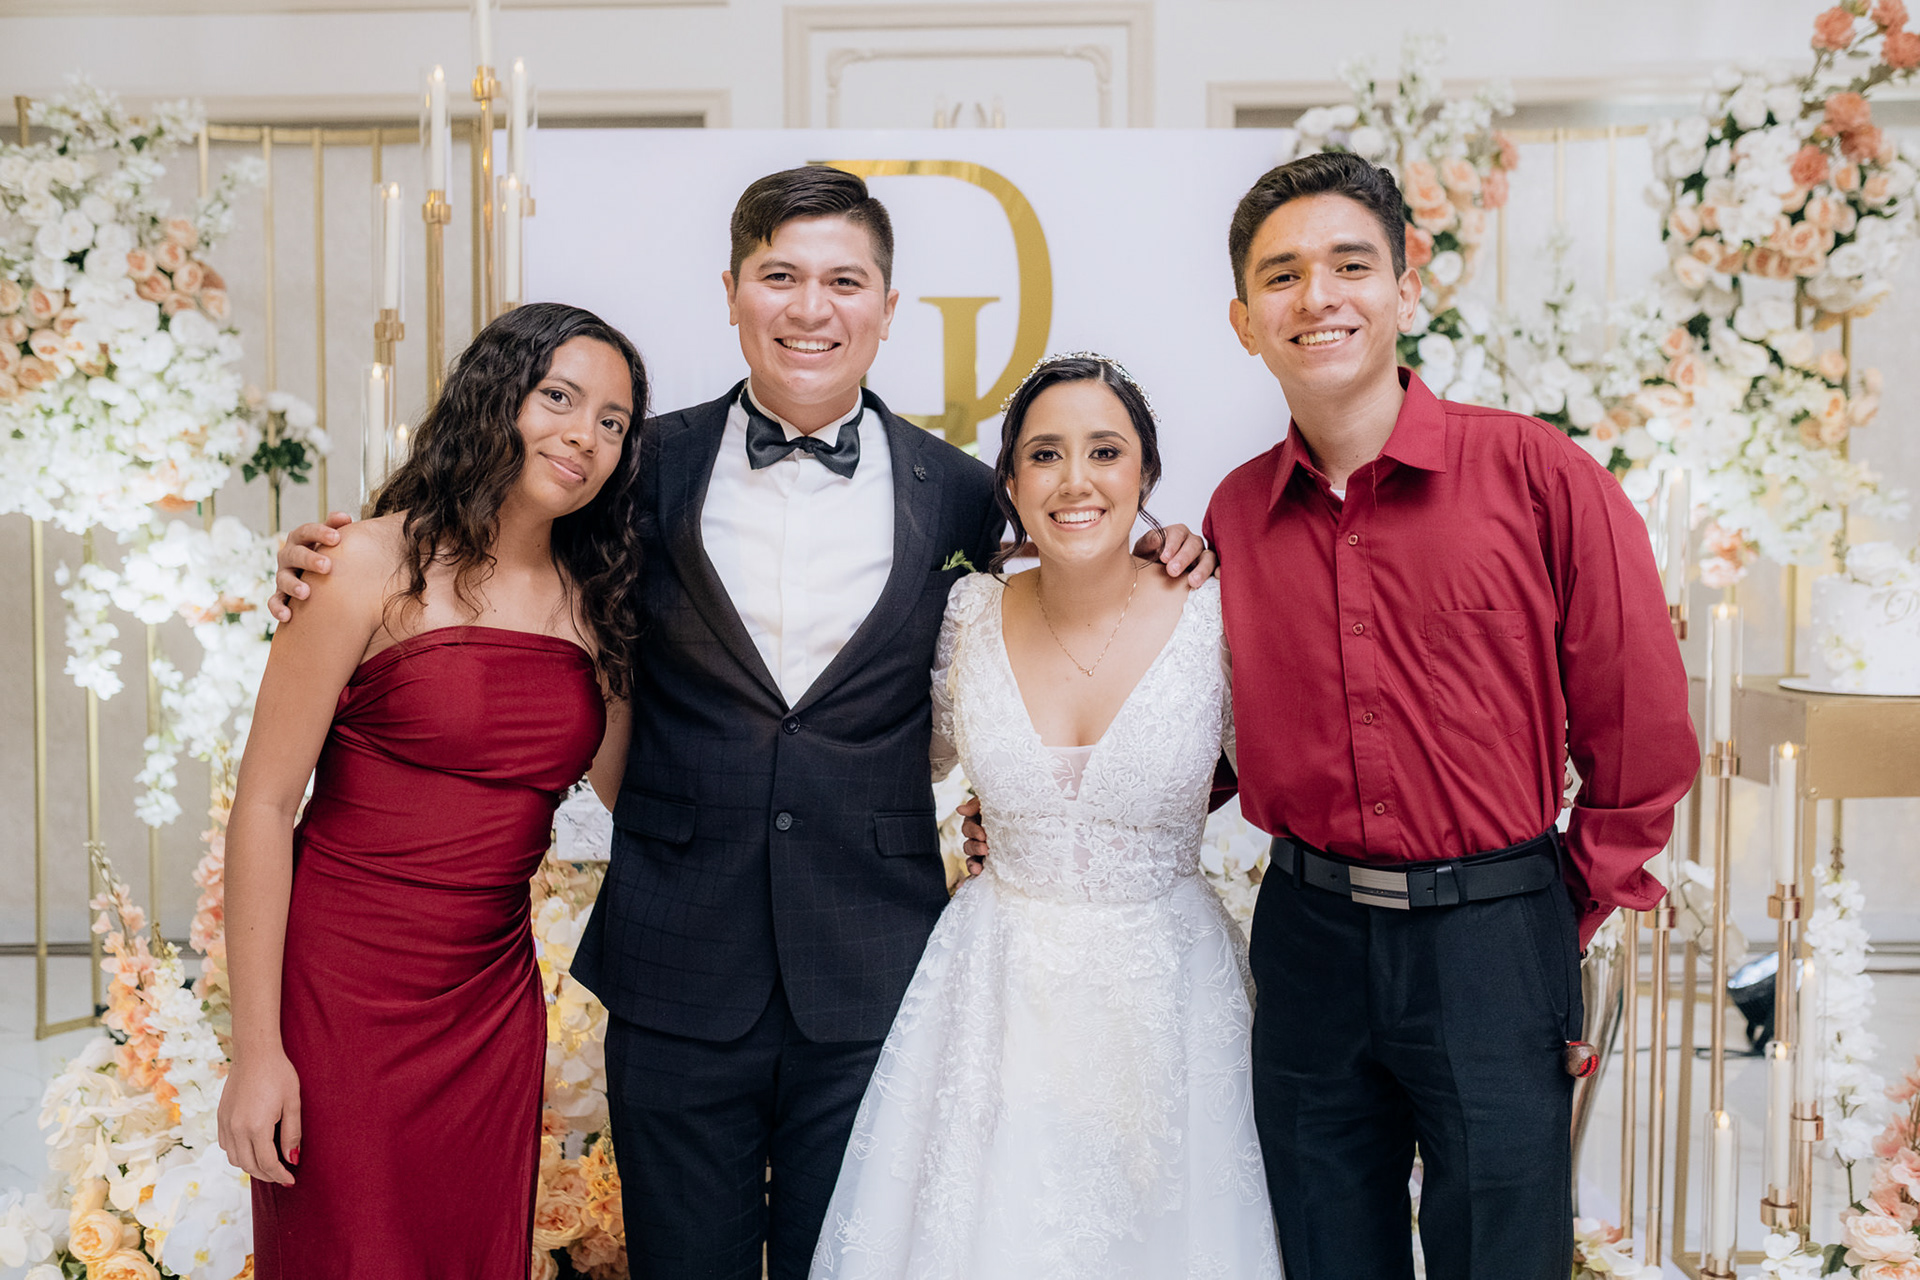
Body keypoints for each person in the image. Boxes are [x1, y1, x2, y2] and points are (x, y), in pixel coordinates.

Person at [268, 165, 1213, 1280]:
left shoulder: (962, 491)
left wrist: (1167, 545)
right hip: (676, 963)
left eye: (844, 281)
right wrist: (317, 563)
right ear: (730, 293)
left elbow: (1063, 578)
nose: (812, 307)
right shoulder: (631, 464)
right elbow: (488, 555)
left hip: (874, 970)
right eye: (780, 276)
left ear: (888, 308)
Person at [1202, 151, 1698, 1279]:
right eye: (1281, 275)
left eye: (1350, 264)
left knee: (1501, 1254)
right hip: (1308, 937)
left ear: (1405, 290)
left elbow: (1640, 729)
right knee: (1323, 1247)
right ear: (1244, 322)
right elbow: (1196, 736)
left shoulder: (1539, 475)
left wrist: (1555, 910)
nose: (1317, 296)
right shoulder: (1234, 513)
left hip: (1494, 936)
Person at [809, 354, 1280, 1280]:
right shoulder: (967, 615)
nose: (1075, 481)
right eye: (1045, 454)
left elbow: (1286, 774)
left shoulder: (1213, 614)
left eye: (1105, 452)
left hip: (1169, 995)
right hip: (995, 992)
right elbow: (890, 762)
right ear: (1012, 482)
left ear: (1145, 472)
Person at [220, 302, 649, 1278]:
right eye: (559, 398)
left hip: (490, 1006)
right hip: (340, 1000)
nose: (585, 435)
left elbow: (646, 800)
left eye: (613, 422)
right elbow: (264, 807)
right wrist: (256, 1051)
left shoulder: (600, 606)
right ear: (497, 396)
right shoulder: (361, 564)